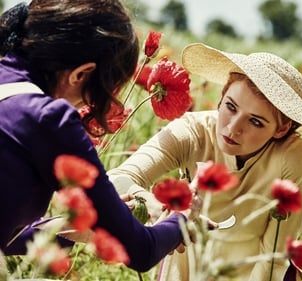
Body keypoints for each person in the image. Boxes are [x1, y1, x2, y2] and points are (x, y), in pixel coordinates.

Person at [108, 43, 302, 280]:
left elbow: (273, 259)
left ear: (281, 129)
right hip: (187, 267)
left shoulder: (295, 160)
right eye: (231, 107)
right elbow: (115, 179)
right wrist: (151, 204)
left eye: (256, 122)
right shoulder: (193, 131)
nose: (233, 128)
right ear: (221, 97)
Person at [0, 0, 197, 273]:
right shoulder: (47, 118)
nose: (90, 107)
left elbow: (7, 238)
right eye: (106, 90)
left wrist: (76, 227)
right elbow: (141, 250)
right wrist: (183, 220)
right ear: (81, 74)